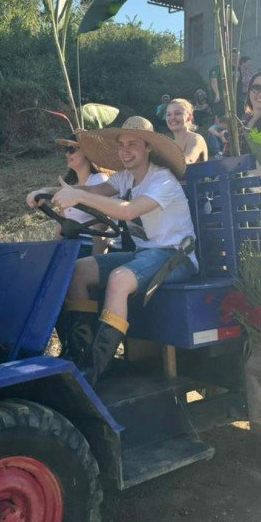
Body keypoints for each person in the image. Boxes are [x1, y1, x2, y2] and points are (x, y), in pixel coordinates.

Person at [25, 117, 196, 385]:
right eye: (121, 145)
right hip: (146, 254)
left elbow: (127, 210)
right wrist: (47, 191)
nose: (125, 150)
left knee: (119, 279)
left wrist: (78, 197)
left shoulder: (162, 180)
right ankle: (79, 354)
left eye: (133, 144)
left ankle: (96, 367)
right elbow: (92, 189)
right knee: (79, 271)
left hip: (176, 255)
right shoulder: (125, 177)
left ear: (148, 147)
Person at [57, 134, 111, 256]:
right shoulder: (70, 184)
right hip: (68, 245)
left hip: (87, 245)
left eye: (71, 150)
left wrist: (95, 261)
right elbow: (61, 224)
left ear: (87, 153)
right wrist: (50, 252)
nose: (67, 155)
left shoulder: (99, 181)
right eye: (66, 150)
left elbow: (101, 227)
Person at [165, 98, 209, 164]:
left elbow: (188, 161)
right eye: (169, 114)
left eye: (177, 113)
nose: (172, 117)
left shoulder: (196, 138)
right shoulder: (170, 144)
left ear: (189, 117)